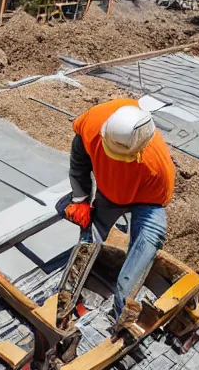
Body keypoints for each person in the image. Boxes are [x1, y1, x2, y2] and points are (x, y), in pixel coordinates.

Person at [64, 98, 175, 325]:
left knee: (147, 242)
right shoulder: (92, 124)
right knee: (89, 235)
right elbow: (79, 162)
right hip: (109, 194)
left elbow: (154, 211)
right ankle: (66, 297)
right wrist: (81, 199)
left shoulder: (159, 169)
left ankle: (123, 308)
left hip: (146, 199)